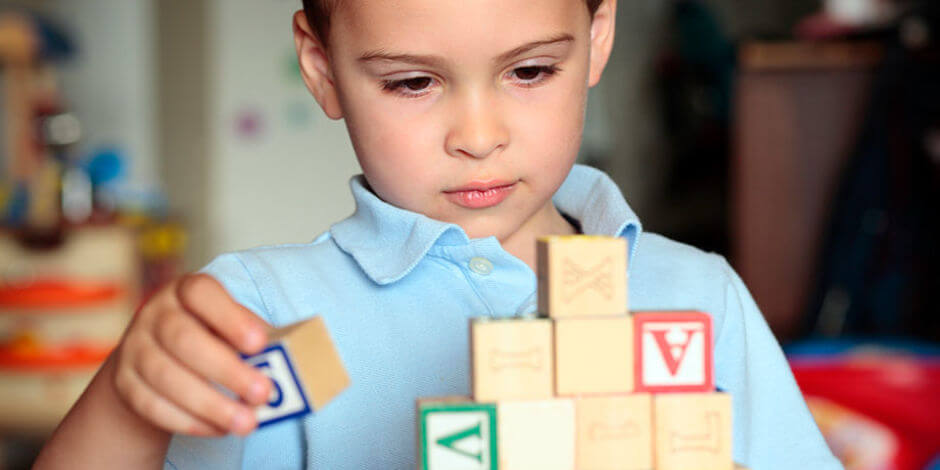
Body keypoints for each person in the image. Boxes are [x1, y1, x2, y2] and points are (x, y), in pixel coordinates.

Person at [34, 0, 843, 468]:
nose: (479, 134)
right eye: (414, 82)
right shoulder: (258, 314)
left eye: (529, 72)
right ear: (322, 70)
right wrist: (128, 402)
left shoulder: (701, 298)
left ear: (596, 39)